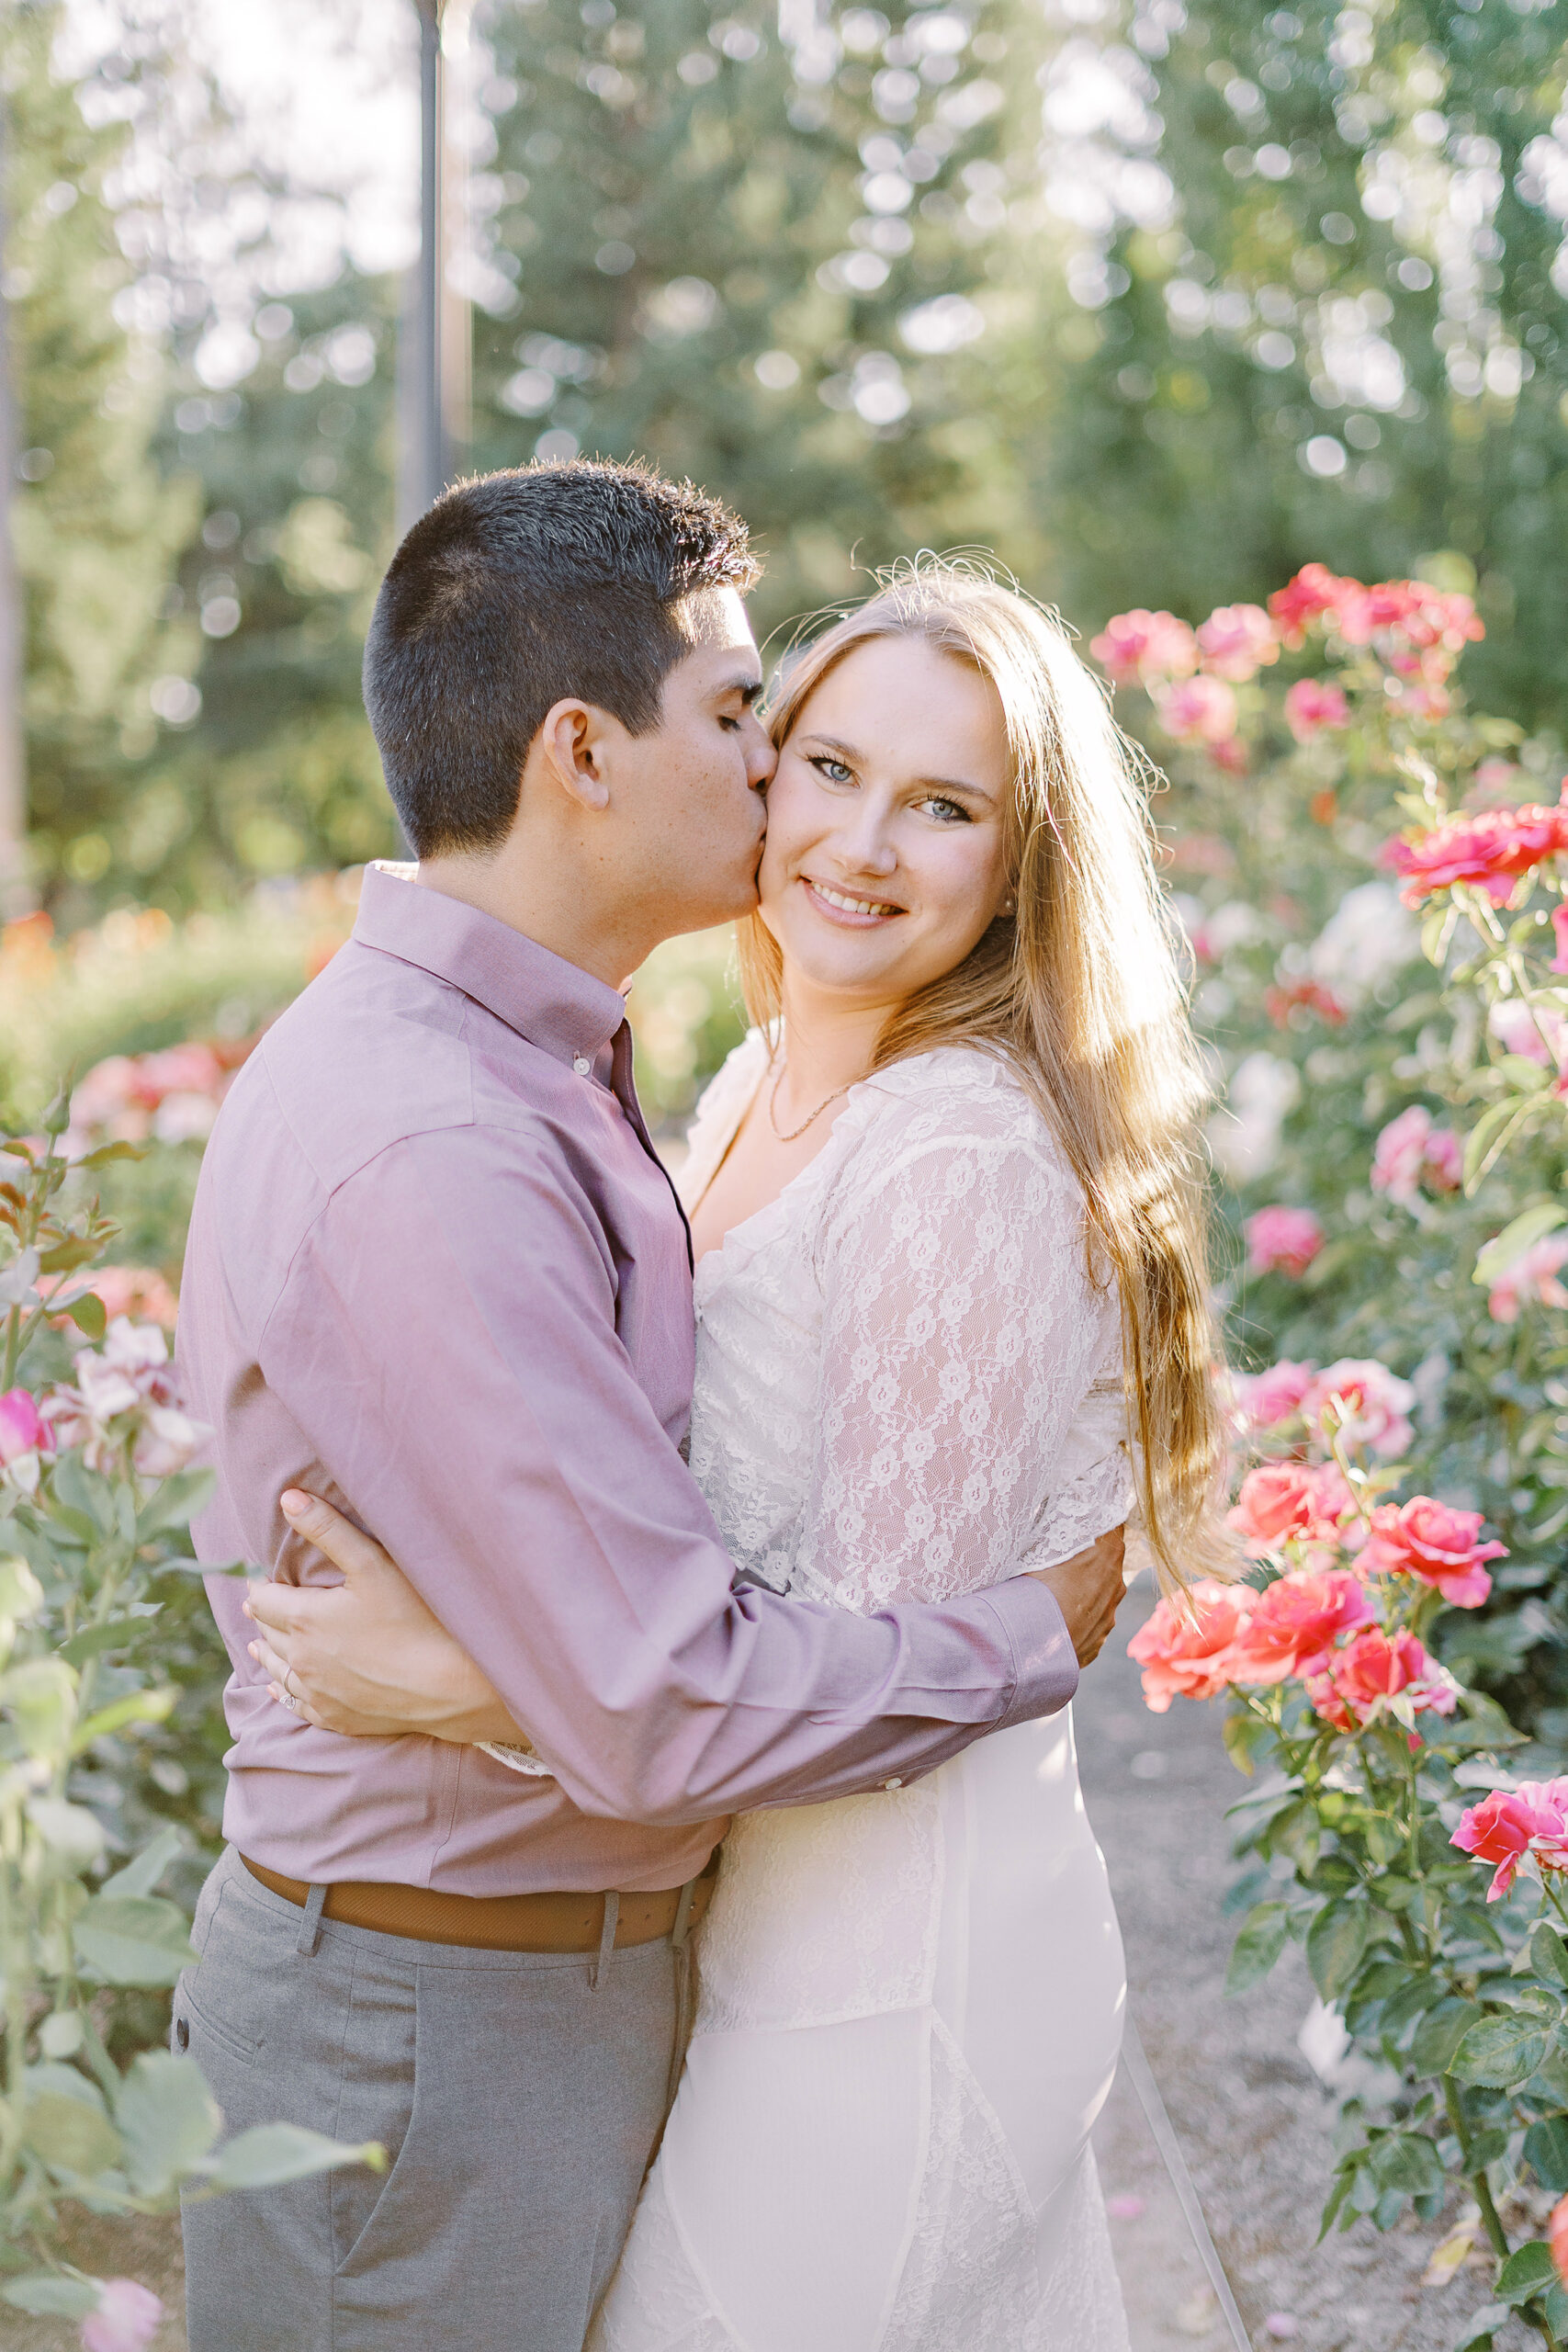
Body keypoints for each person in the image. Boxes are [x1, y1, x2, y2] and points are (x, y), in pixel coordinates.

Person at [174, 466, 1132, 2352]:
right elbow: (663, 1691)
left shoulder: (567, 1071)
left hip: (580, 1990)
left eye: (933, 800)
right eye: (749, 724)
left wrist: (481, 1679)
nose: (783, 788)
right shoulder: (440, 1132)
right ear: (580, 755)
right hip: (431, 2024)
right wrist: (1030, 1630)